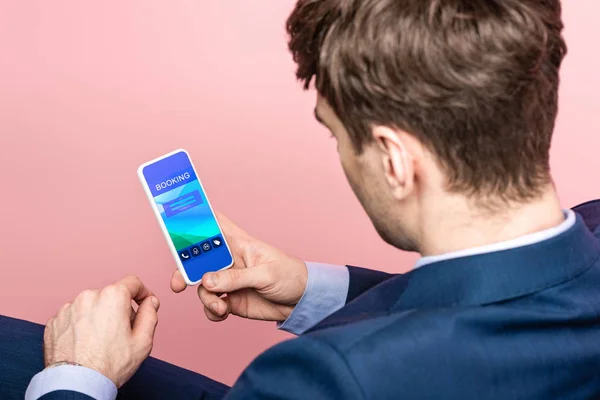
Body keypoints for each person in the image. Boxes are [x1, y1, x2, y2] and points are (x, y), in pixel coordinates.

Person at [2, 0, 600, 398]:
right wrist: (310, 292)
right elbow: (485, 302)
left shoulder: (324, 379)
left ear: (394, 159)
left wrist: (76, 379)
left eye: (335, 133)